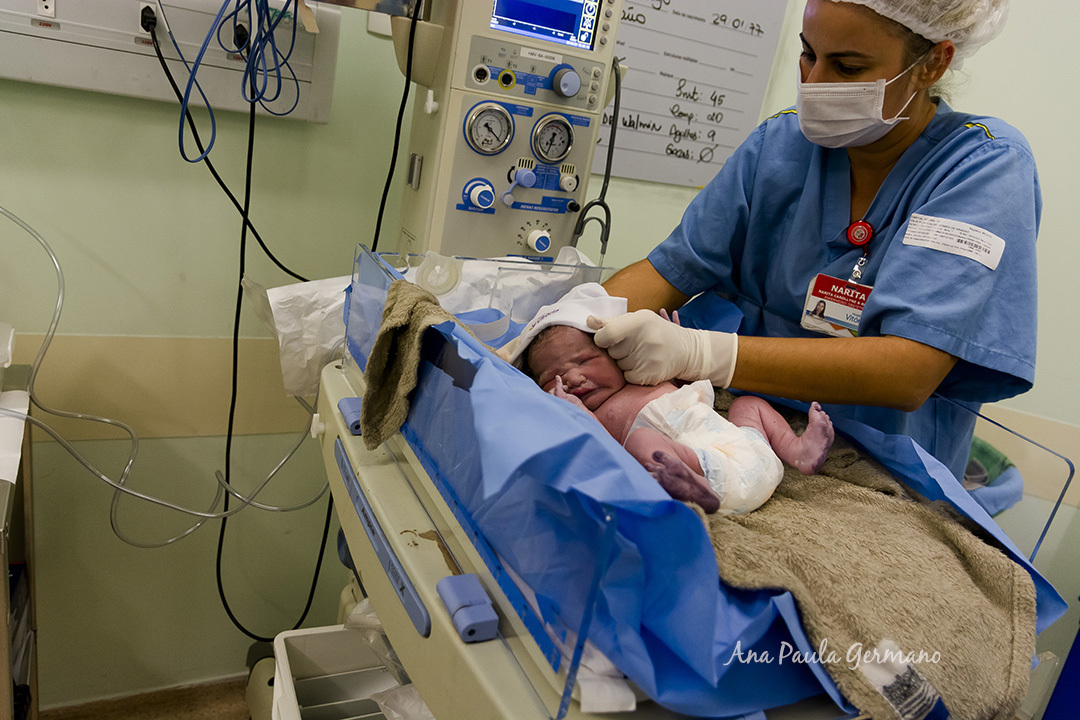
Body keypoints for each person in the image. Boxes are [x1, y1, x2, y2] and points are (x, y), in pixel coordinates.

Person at [593, 0, 1030, 481]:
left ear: (932, 63)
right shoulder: (780, 145)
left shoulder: (981, 168)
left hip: (870, 462)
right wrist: (571, 325)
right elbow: (671, 269)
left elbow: (906, 369)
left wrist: (696, 351)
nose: (814, 83)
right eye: (807, 54)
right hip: (726, 420)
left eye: (847, 66)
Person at [506, 284, 835, 515]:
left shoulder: (644, 376)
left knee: (746, 405)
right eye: (553, 378)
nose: (574, 379)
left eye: (583, 361)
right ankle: (691, 489)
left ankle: (796, 451)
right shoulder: (598, 415)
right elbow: (602, 450)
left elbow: (693, 388)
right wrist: (577, 416)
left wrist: (678, 353)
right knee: (641, 441)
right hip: (706, 476)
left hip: (751, 452)